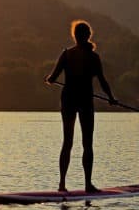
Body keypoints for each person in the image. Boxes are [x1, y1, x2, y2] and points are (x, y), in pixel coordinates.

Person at [45, 20, 116, 192]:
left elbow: (52, 77)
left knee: (67, 142)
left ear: (76, 36)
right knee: (87, 143)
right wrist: (111, 98)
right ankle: (87, 184)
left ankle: (62, 185)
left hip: (68, 99)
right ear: (88, 36)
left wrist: (50, 80)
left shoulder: (66, 54)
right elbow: (103, 81)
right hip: (84, 100)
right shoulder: (93, 57)